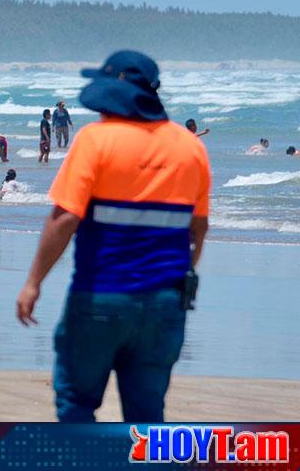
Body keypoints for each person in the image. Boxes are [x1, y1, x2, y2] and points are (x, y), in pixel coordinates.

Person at [15, 50, 211, 423]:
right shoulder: (191, 149)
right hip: (165, 305)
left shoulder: (96, 141)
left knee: (76, 402)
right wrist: (179, 278)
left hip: (100, 297)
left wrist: (33, 283)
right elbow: (198, 230)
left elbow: (64, 219)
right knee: (148, 415)